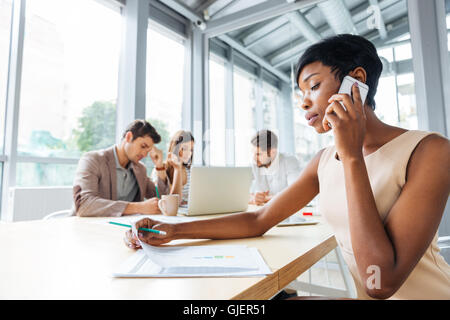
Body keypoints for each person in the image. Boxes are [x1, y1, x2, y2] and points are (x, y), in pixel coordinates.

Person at [124, 35, 450, 299]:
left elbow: (380, 282)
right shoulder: (322, 161)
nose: (303, 101)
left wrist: (351, 155)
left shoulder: (430, 151)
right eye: (300, 93)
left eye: (313, 86)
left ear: (357, 81)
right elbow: (259, 219)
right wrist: (174, 231)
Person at [73, 119, 182, 217]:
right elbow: (84, 204)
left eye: (148, 151)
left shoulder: (140, 169)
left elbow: (164, 200)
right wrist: (138, 207)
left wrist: (159, 167)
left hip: (125, 231)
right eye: (143, 146)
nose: (144, 154)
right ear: (129, 137)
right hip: (89, 230)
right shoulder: (93, 160)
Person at [248, 129, 300, 206]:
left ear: (272, 152)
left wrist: (265, 199)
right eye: (253, 153)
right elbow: (238, 192)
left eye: (258, 154)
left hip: (286, 212)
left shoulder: (289, 161)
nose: (254, 158)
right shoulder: (254, 164)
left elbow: (294, 193)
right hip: (262, 212)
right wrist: (253, 198)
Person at [151, 130, 194, 205]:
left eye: (191, 150)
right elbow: (169, 202)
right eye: (184, 148)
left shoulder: (190, 171)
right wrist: (178, 168)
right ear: (175, 148)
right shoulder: (160, 169)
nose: (189, 153)